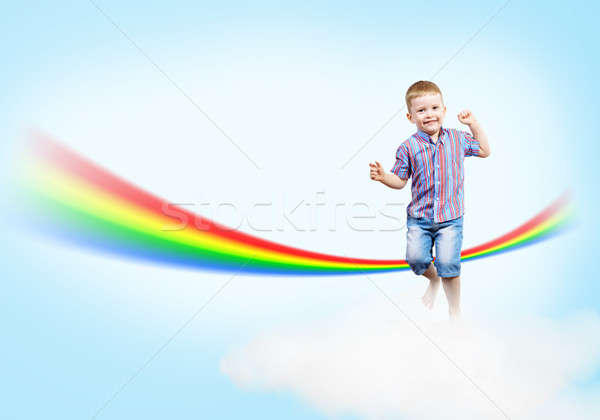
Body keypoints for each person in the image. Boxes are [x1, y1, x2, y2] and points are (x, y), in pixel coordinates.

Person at [369, 81, 490, 319]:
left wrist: (474, 125)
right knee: (415, 260)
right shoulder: (408, 148)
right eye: (421, 111)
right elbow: (400, 181)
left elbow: (485, 150)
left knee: (449, 265)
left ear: (444, 111)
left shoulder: (458, 139)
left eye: (435, 108)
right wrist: (384, 177)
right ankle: (433, 279)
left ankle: (454, 310)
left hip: (450, 218)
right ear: (410, 116)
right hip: (420, 219)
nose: (429, 114)